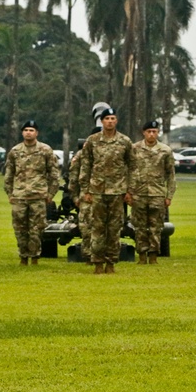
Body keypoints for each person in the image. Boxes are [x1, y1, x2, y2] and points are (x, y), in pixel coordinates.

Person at [78, 108, 133, 274]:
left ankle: (111, 263)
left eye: (113, 118)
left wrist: (129, 190)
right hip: (97, 191)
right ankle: (97, 262)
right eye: (107, 118)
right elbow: (86, 166)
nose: (110, 121)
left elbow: (132, 166)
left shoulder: (125, 141)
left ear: (116, 121)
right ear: (102, 121)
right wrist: (85, 190)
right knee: (97, 228)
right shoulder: (93, 140)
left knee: (115, 229)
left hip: (117, 191)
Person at [3, 120, 58, 265]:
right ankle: (23, 256)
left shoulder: (45, 150)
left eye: (32, 130)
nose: (29, 132)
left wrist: (51, 194)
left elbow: (54, 174)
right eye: (26, 130)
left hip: (38, 195)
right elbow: (9, 174)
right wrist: (9, 193)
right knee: (20, 228)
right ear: (22, 132)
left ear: (37, 133)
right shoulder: (15, 151)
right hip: (19, 196)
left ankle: (34, 257)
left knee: (37, 228)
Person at [127, 120, 176, 265]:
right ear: (144, 133)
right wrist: (128, 192)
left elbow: (171, 175)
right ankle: (142, 255)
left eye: (154, 131)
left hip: (157, 193)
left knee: (156, 226)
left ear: (158, 132)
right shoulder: (134, 149)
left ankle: (153, 255)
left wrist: (169, 195)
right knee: (139, 226)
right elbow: (127, 171)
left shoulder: (165, 150)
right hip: (138, 193)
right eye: (149, 131)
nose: (151, 134)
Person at [67, 137, 93, 263]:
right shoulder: (81, 155)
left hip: (107, 195)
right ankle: (88, 255)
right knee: (86, 225)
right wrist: (75, 196)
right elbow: (73, 177)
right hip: (86, 195)